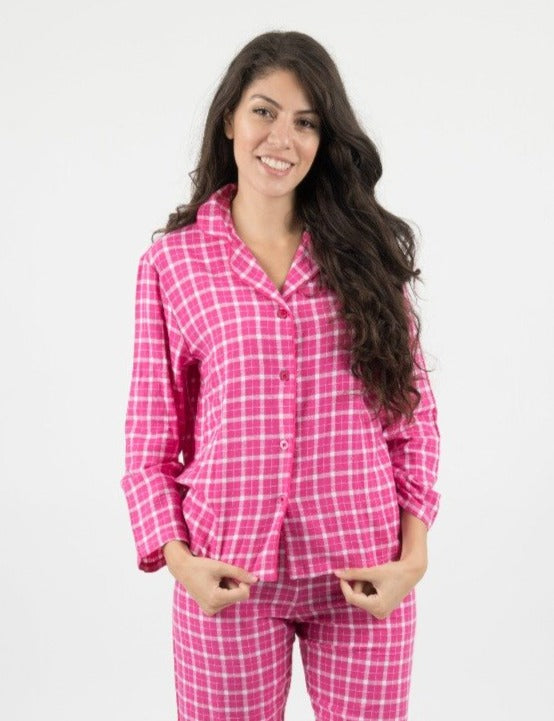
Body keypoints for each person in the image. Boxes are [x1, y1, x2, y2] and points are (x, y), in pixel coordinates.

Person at [120, 29, 441, 721]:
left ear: (324, 140)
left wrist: (412, 560)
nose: (282, 138)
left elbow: (413, 421)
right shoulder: (172, 265)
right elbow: (150, 443)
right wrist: (180, 561)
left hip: (365, 575)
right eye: (264, 111)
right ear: (229, 119)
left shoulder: (366, 255)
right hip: (225, 573)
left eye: (306, 122)